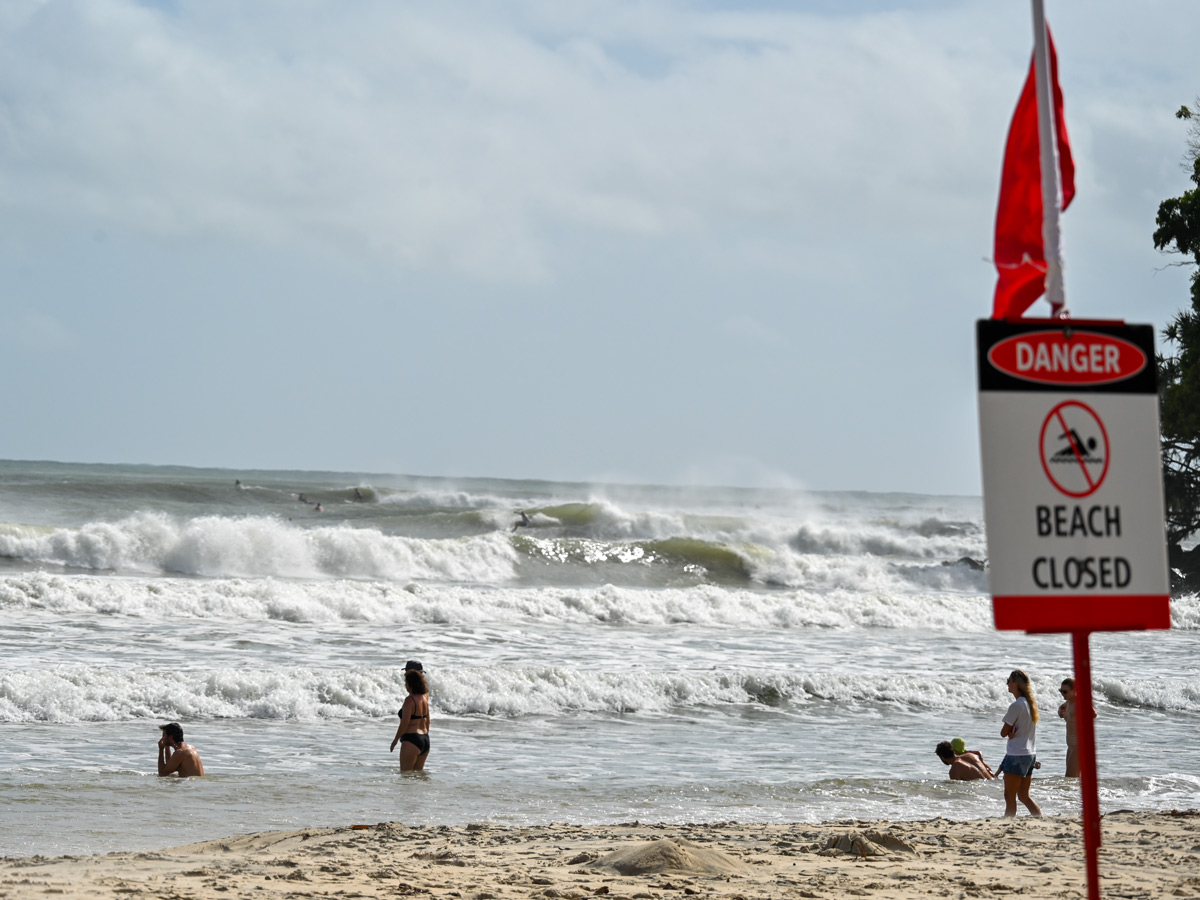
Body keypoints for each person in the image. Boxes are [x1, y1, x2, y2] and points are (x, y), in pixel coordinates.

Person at [999, 669, 1042, 817]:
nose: (1007, 684)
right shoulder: (1031, 704)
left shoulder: (1016, 705)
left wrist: (1009, 732)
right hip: (1030, 754)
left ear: (1015, 684)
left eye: (1008, 681)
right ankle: (1039, 818)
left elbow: (1003, 732)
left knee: (1009, 797)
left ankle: (1008, 822)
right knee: (1024, 796)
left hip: (1016, 754)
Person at [389, 660, 430, 771]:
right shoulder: (424, 697)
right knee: (417, 779)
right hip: (425, 740)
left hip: (412, 740)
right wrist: (424, 738)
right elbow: (427, 721)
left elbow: (405, 722)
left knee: (405, 777)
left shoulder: (410, 700)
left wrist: (395, 740)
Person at [1058, 677, 1096, 778]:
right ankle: (1075, 794)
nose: (1062, 694)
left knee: (1069, 777)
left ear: (1074, 690)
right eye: (1060, 691)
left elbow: (1094, 714)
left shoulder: (1080, 701)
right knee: (1072, 779)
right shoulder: (1069, 702)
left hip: (1079, 745)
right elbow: (1061, 707)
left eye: (1065, 692)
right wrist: (1060, 712)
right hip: (1071, 745)